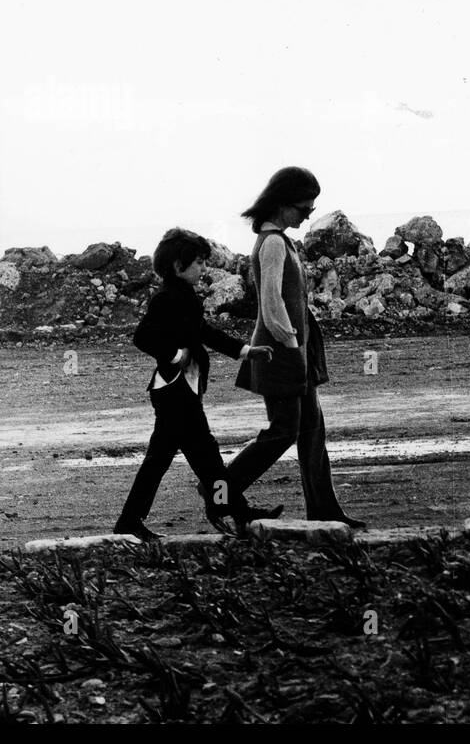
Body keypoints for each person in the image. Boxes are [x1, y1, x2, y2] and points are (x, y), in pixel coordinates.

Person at [115, 227, 280, 541]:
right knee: (197, 460)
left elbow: (203, 331)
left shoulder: (184, 296)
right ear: (179, 266)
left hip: (182, 391)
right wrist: (175, 355)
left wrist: (245, 351)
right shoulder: (166, 298)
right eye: (200, 263)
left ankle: (231, 511)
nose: (205, 269)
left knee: (198, 460)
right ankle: (232, 512)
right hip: (175, 393)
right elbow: (142, 337)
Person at [226, 166, 366, 529]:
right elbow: (271, 304)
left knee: (312, 431)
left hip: (296, 351)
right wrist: (290, 345)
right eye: (304, 208)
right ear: (282, 204)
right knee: (283, 431)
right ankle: (219, 492)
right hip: (280, 353)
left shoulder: (281, 240)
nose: (308, 215)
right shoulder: (272, 243)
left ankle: (325, 512)